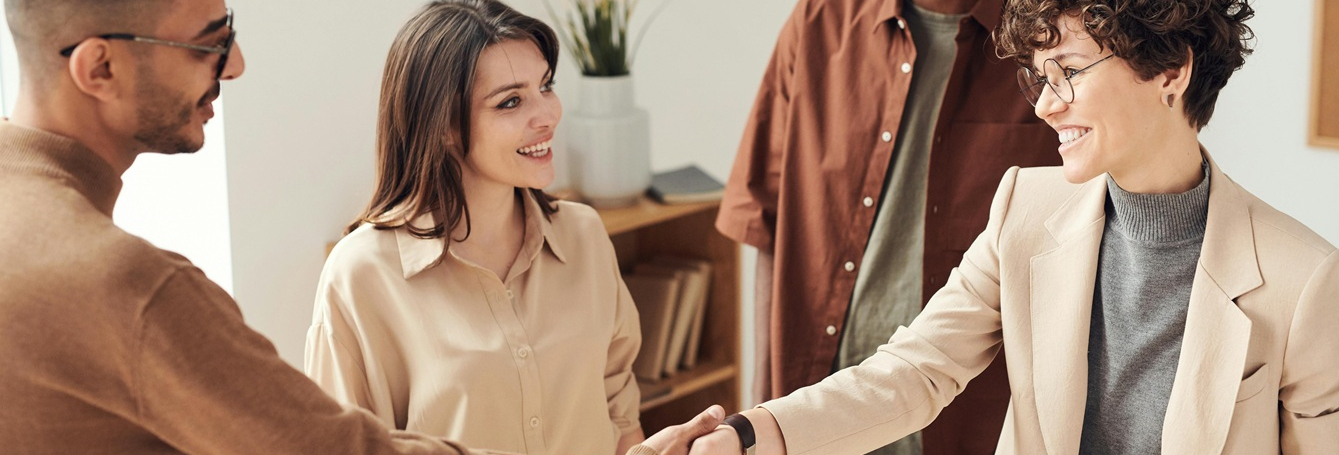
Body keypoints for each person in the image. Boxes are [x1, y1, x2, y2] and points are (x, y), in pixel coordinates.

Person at [0, 0, 715, 453]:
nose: (236, 65)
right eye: (208, 42)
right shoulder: (134, 284)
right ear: (98, 67)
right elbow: (328, 445)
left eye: (545, 87)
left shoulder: (583, 237)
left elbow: (616, 402)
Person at [684, 0, 1339, 453]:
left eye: (1070, 72)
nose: (1045, 106)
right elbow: (912, 371)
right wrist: (748, 435)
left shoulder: (1303, 279)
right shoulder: (1023, 210)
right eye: (1040, 77)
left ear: (1171, 71)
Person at [714, 0, 1062, 452]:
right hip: (812, 414)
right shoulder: (819, 21)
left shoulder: (1050, 38)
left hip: (970, 419)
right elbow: (767, 224)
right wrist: (759, 411)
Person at [303, 1, 644, 454]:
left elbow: (620, 417)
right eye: (510, 101)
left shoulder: (584, 236)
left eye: (546, 86)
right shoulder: (361, 275)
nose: (547, 115)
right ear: (443, 125)